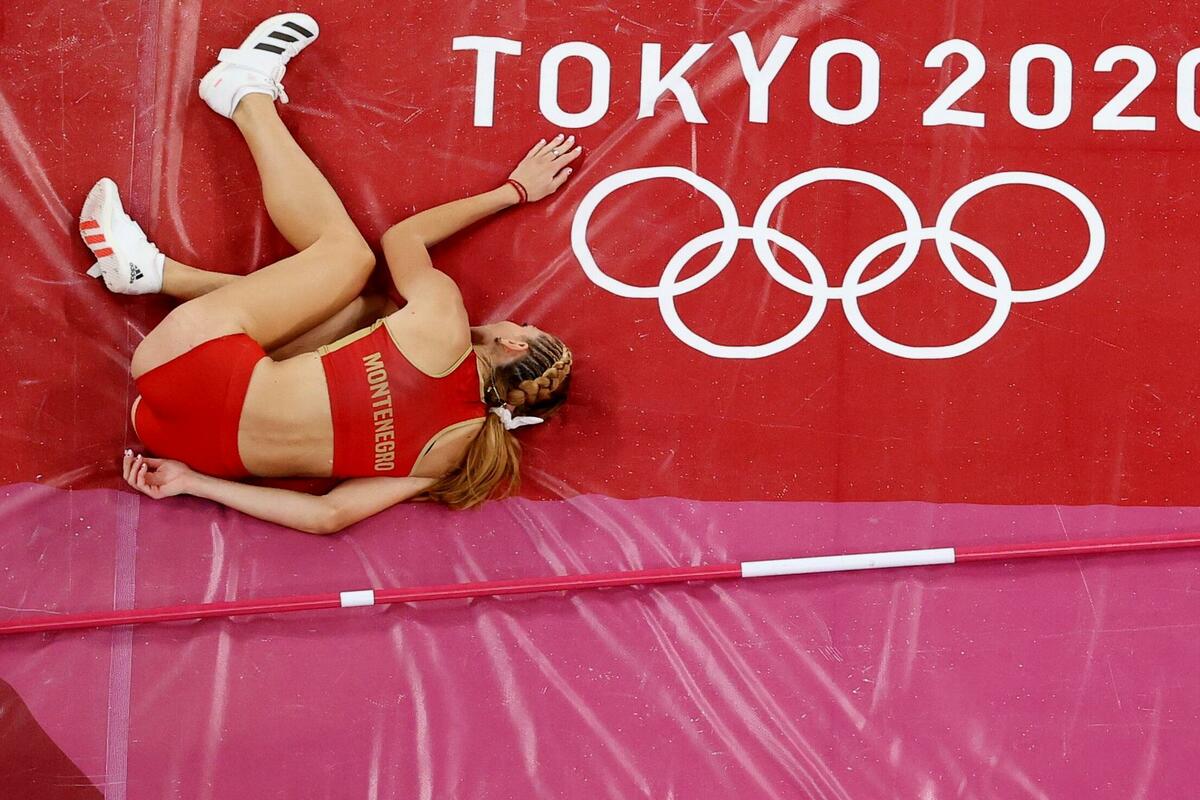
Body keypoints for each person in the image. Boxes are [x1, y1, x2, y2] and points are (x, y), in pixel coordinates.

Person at [79, 13, 578, 533]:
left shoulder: (442, 323)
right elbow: (327, 515)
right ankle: (155, 274)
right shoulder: (450, 455)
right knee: (368, 315)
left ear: (514, 345)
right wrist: (193, 482)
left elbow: (403, 239)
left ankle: (244, 94)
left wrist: (513, 192)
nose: (516, 322)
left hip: (179, 361)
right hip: (177, 441)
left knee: (349, 259)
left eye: (523, 327)